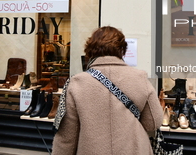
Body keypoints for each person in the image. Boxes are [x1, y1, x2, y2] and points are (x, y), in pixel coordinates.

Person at [51, 26, 163, 155]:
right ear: (122, 50)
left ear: (90, 51)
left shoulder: (76, 83)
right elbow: (153, 122)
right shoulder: (140, 78)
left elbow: (66, 137)